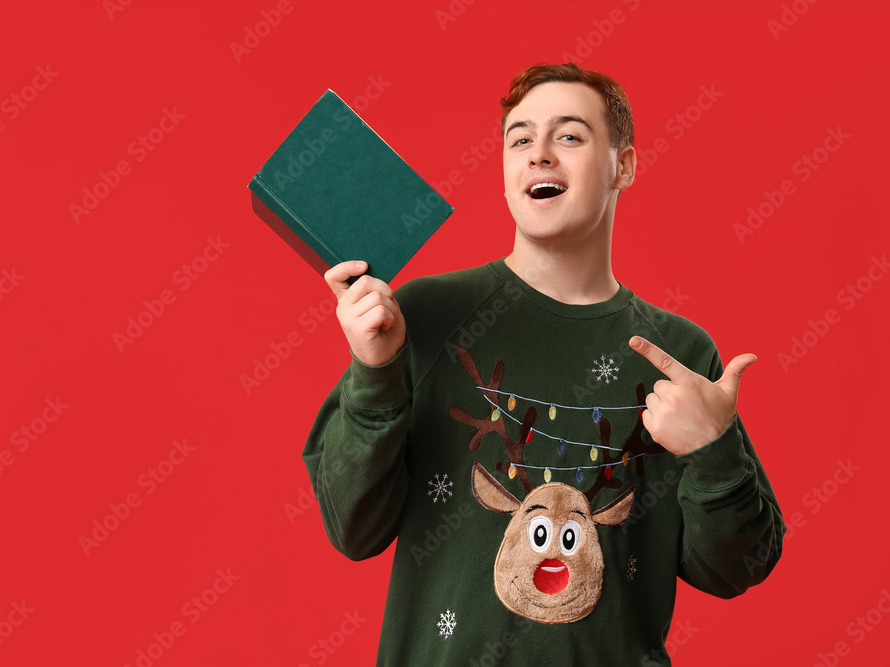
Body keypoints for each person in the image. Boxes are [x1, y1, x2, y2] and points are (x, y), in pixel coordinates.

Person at [303, 62, 784, 665]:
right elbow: (352, 528)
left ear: (624, 166)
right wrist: (374, 373)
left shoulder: (679, 355)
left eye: (570, 136)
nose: (540, 155)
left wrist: (714, 451)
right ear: (504, 172)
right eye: (521, 138)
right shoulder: (421, 316)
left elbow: (736, 569)